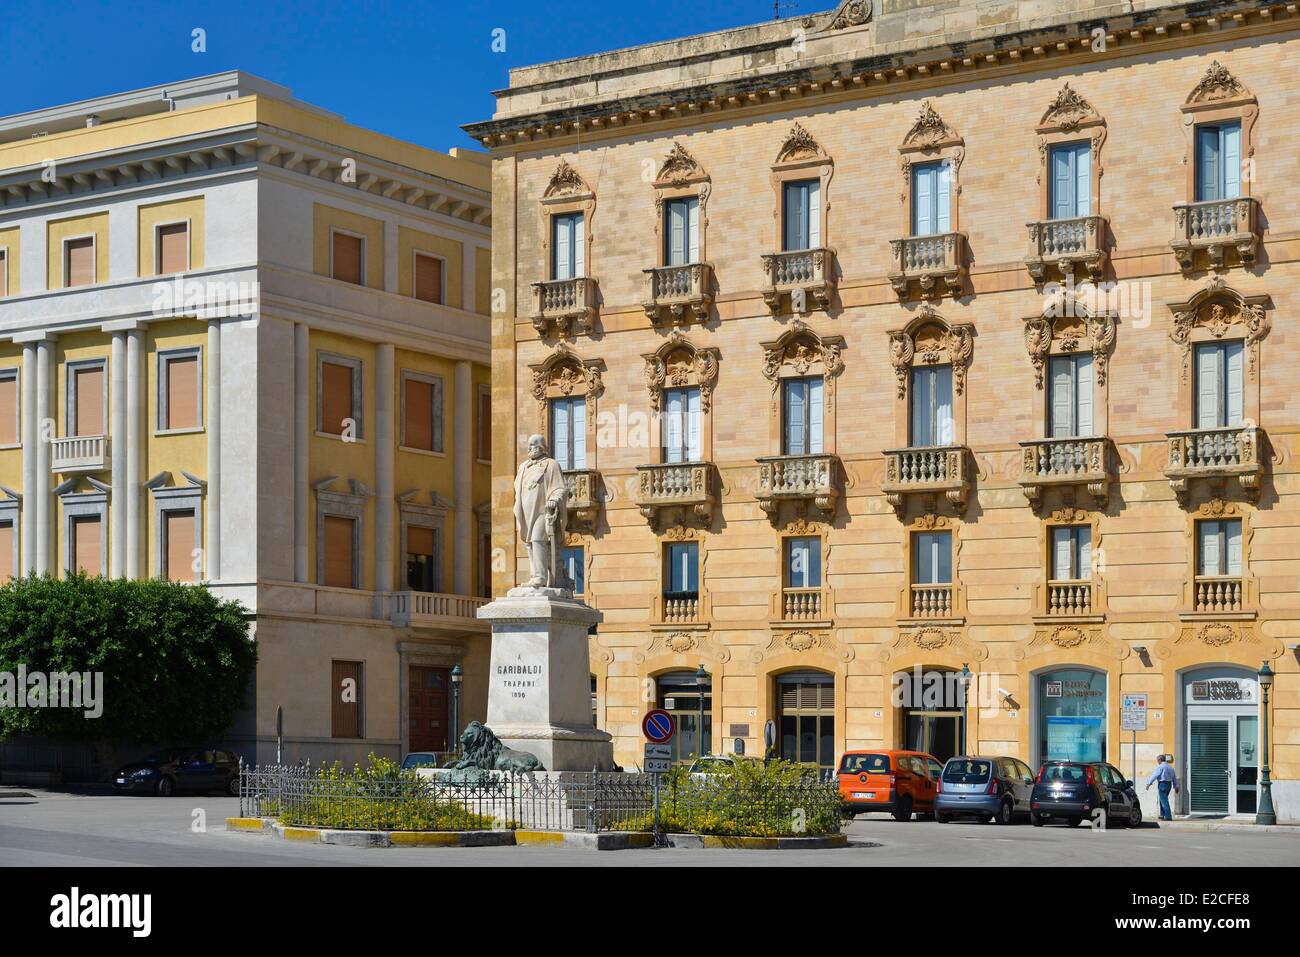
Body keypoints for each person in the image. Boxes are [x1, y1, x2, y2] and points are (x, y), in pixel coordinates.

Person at [1145, 753, 1180, 821]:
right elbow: (1174, 778)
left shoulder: (1160, 767)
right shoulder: (1170, 767)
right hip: (1169, 785)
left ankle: (1168, 816)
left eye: (1157, 760)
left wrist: (1149, 783)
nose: (1157, 761)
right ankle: (1162, 815)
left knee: (1164, 801)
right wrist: (1176, 787)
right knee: (1162, 799)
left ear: (1160, 760)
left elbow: (1155, 775)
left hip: (1162, 784)